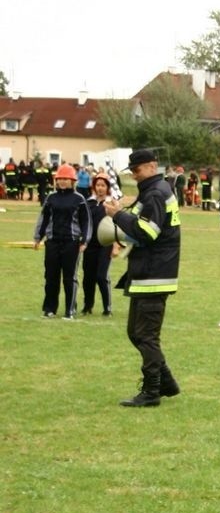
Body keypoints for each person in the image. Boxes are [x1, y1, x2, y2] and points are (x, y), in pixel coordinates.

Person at [104, 149, 181, 407]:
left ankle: (152, 391)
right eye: (132, 172)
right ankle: (166, 382)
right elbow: (138, 220)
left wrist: (118, 216)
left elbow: (148, 232)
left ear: (151, 166)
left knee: (145, 336)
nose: (135, 176)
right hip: (146, 272)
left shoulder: (156, 193)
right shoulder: (151, 190)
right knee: (135, 333)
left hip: (154, 274)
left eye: (137, 170)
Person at [33, 163, 91, 319]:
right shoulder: (51, 198)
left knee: (69, 277)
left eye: (66, 179)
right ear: (56, 180)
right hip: (52, 242)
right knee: (51, 276)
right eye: (60, 179)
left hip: (72, 242)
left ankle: (70, 310)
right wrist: (38, 237)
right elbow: (44, 218)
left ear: (72, 180)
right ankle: (49, 309)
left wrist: (85, 240)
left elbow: (86, 222)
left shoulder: (79, 199)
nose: (63, 181)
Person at [82, 173, 120, 316]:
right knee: (88, 277)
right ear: (94, 186)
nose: (100, 188)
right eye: (98, 185)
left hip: (105, 244)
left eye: (103, 185)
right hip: (90, 245)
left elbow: (117, 225)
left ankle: (107, 307)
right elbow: (83, 222)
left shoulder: (111, 204)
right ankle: (87, 306)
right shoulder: (88, 203)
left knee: (101, 276)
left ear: (107, 187)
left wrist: (116, 246)